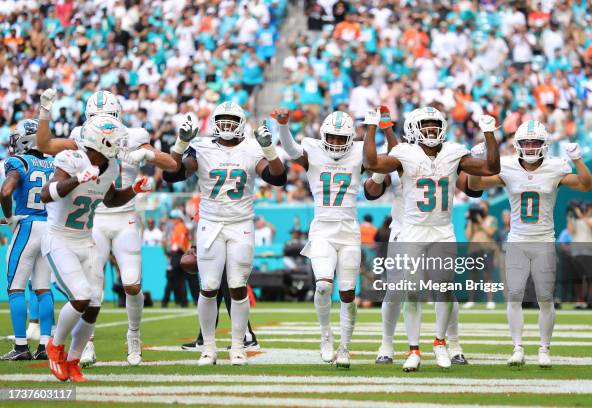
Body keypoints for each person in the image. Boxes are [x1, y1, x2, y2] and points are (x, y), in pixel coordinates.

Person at [36, 88, 177, 367]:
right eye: (97, 119)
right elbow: (46, 146)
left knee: (132, 284)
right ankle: (84, 346)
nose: (104, 126)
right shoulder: (80, 138)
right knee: (92, 290)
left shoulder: (133, 136)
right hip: (94, 219)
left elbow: (171, 163)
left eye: (108, 118)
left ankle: (133, 336)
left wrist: (144, 156)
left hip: (124, 217)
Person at [363, 106, 500, 372]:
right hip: (407, 229)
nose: (432, 130)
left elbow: (479, 179)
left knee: (444, 288)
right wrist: (379, 127)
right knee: (402, 290)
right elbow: (377, 167)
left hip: (440, 228)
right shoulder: (403, 154)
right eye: (425, 125)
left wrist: (489, 137)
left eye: (435, 125)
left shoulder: (452, 152)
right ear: (413, 129)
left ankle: (448, 343)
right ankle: (392, 345)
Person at [163, 101, 286, 366]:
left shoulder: (253, 148)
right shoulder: (202, 147)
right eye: (223, 120)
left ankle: (239, 346)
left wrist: (269, 149)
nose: (227, 125)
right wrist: (180, 145)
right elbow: (172, 174)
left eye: (232, 120)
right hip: (210, 223)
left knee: (237, 287)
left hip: (241, 223)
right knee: (208, 288)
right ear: (214, 123)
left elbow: (278, 178)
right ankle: (208, 347)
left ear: (241, 124)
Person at [469, 120, 592, 368]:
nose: (529, 146)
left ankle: (544, 348)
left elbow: (587, 185)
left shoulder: (555, 167)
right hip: (516, 241)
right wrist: (478, 162)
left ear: (544, 145)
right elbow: (475, 186)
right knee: (514, 296)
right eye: (525, 142)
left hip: (544, 241)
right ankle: (517, 347)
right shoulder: (507, 166)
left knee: (545, 298)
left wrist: (578, 159)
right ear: (517, 144)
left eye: (534, 142)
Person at [40, 115, 151, 382]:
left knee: (94, 303)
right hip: (60, 238)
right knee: (80, 296)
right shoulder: (72, 159)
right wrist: (78, 179)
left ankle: (74, 360)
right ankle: (55, 346)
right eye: (114, 140)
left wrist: (133, 190)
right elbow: (46, 193)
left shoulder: (110, 167)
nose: (119, 144)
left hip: (85, 239)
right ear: (102, 141)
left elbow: (111, 199)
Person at [272, 106, 363, 369]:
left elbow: (379, 163)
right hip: (322, 227)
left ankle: (345, 347)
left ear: (349, 139)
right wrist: (284, 125)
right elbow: (291, 151)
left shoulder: (359, 152)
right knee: (323, 285)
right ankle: (326, 335)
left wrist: (375, 131)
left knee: (347, 294)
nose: (334, 142)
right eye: (331, 137)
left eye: (340, 138)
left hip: (348, 230)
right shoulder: (313, 149)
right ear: (323, 136)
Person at [0, 119, 55, 361]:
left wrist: (9, 217)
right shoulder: (53, 163)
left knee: (15, 288)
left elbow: (5, 191)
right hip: (49, 228)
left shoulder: (19, 162)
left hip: (27, 225)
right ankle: (45, 346)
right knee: (43, 289)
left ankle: (21, 346)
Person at [464, 200, 498, 309]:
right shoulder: (472, 222)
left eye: (483, 208)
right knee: (472, 276)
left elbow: (491, 232)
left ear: (487, 208)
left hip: (487, 249)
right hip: (473, 249)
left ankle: (490, 300)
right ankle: (470, 300)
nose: (481, 210)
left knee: (488, 275)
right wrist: (470, 219)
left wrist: (480, 220)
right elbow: (468, 236)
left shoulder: (492, 219)